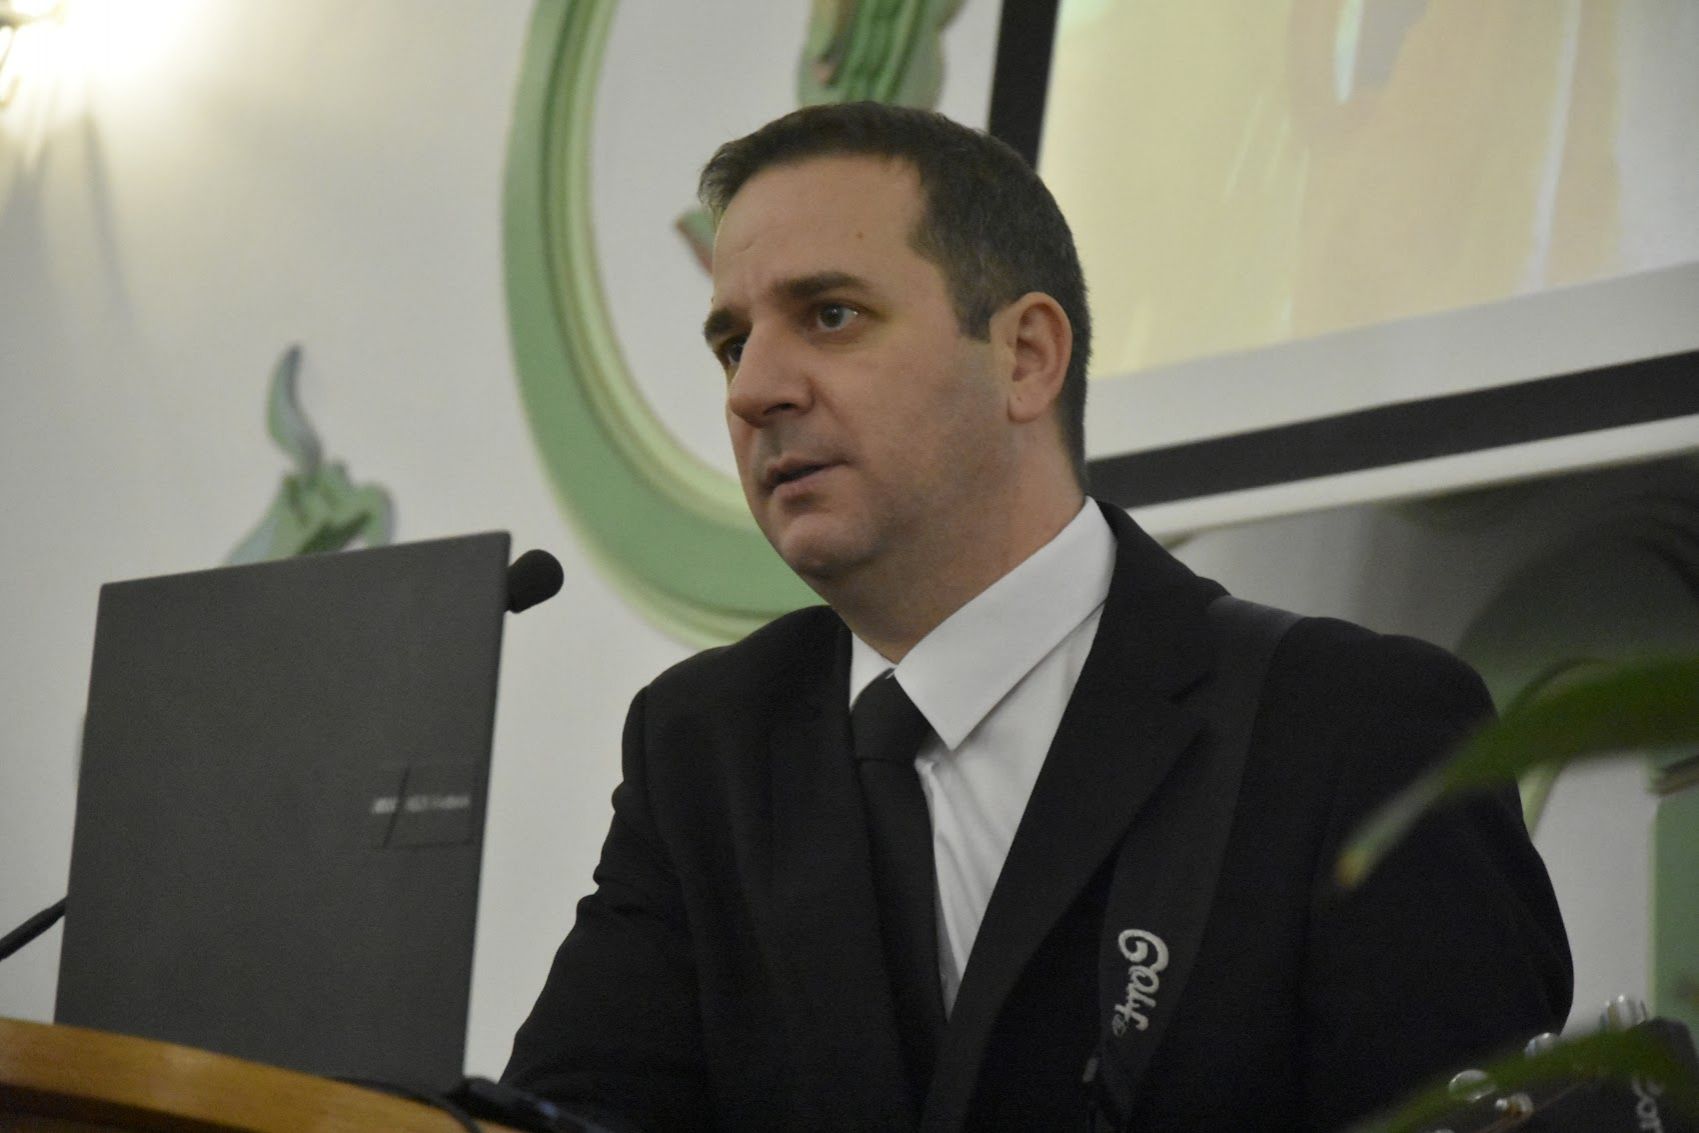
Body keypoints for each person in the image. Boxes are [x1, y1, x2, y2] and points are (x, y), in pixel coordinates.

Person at [503, 102, 1571, 1132]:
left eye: (830, 315)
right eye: (733, 343)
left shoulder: (1355, 727)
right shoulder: (704, 746)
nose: (753, 390)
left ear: (1024, 357)